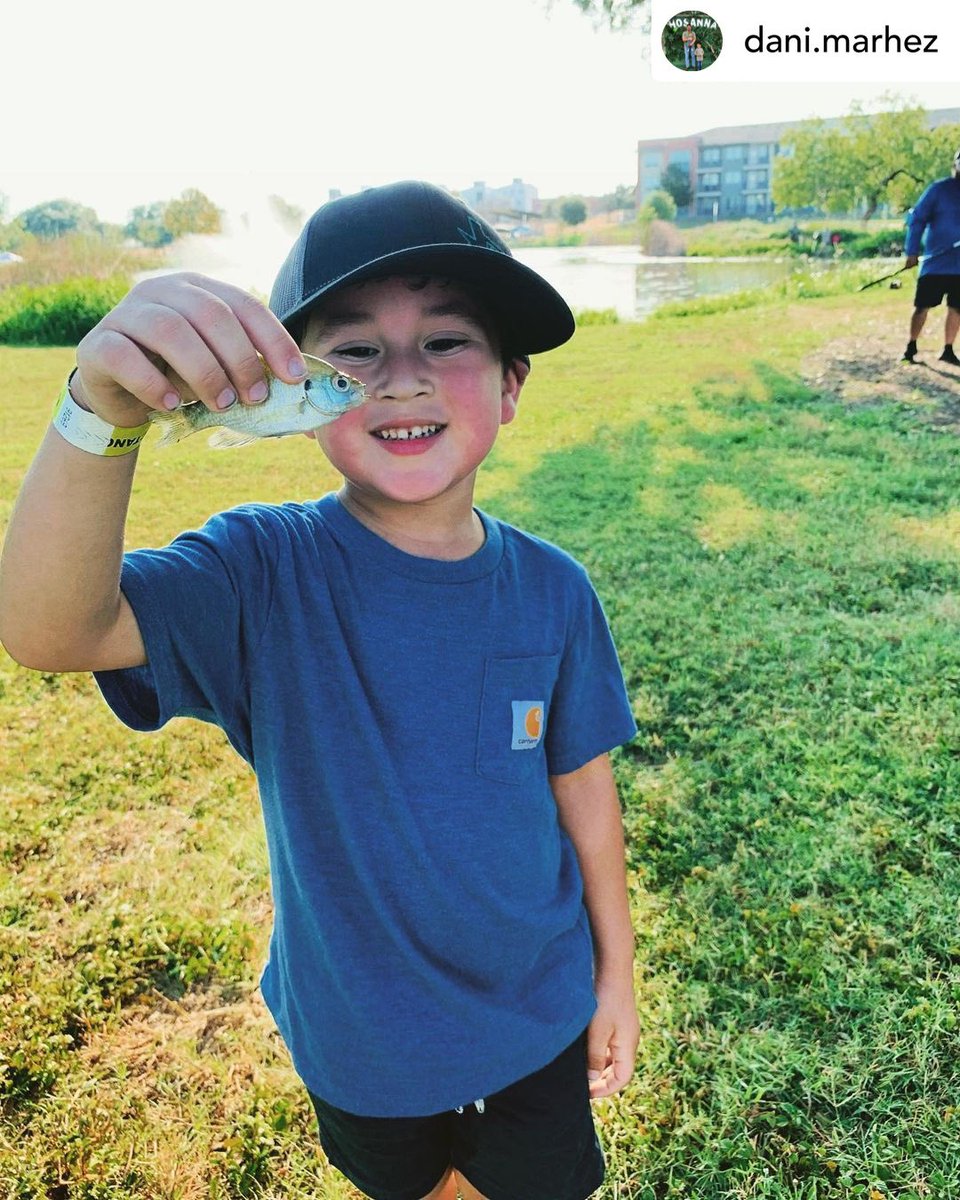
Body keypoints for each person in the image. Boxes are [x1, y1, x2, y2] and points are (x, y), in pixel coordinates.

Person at [0, 181, 639, 1200]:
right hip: (361, 1043)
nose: (399, 379)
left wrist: (617, 978)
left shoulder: (556, 591)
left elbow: (585, 796)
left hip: (540, 1016)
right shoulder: (261, 570)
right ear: (282, 391)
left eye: (446, 342)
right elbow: (49, 628)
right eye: (352, 350)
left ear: (512, 384)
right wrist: (101, 412)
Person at [901, 147, 960, 365]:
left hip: (959, 266)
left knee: (957, 308)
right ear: (955, 165)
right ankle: (911, 346)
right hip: (935, 263)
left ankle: (948, 349)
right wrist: (912, 251)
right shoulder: (938, 190)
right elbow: (917, 220)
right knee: (922, 306)